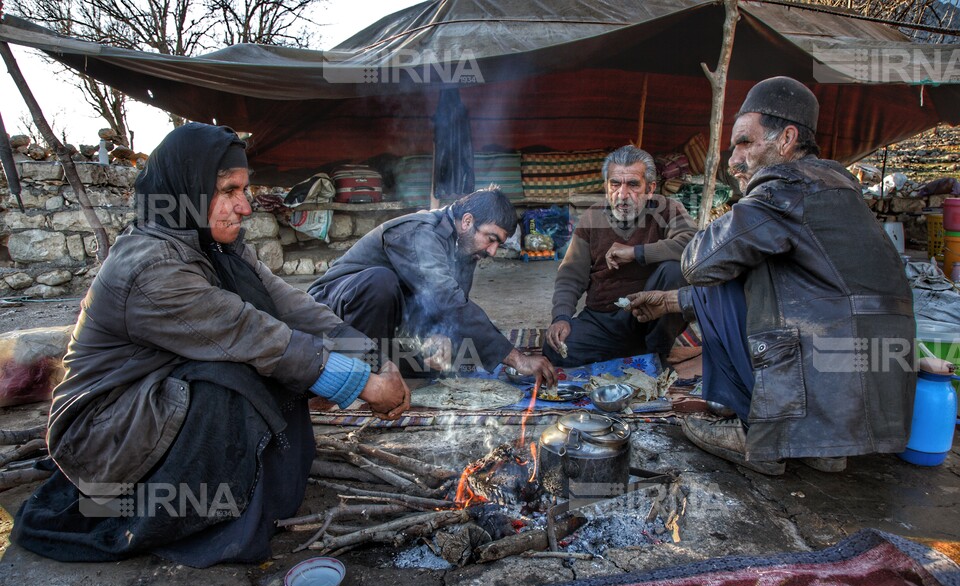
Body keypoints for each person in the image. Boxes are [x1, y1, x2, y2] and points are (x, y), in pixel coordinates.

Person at [12, 123, 410, 567]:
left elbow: (290, 305)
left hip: (150, 402)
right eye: (228, 190)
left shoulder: (216, 247)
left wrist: (372, 356)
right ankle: (197, 517)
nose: (244, 206)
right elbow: (253, 334)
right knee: (233, 376)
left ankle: (256, 493)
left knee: (259, 364)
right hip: (102, 430)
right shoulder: (151, 266)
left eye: (246, 188)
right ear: (185, 190)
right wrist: (365, 386)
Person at [628, 77, 915, 475]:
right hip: (870, 398)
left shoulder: (784, 188)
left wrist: (737, 208)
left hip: (821, 371)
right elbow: (800, 293)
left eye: (745, 142)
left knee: (722, 269)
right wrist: (670, 302)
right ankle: (824, 448)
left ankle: (754, 430)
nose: (733, 160)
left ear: (787, 140)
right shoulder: (837, 188)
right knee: (748, 266)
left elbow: (698, 262)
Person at [308, 186, 557, 385]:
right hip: (331, 316)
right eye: (491, 239)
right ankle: (358, 375)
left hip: (382, 326)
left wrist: (438, 336)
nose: (492, 251)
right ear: (468, 221)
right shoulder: (420, 233)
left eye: (498, 244)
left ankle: (376, 364)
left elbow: (444, 308)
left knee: (454, 362)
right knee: (381, 282)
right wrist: (517, 359)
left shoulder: (465, 248)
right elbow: (448, 301)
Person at [544, 146, 696, 368]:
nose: (622, 194)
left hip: (652, 317)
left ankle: (657, 349)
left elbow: (693, 244)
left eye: (633, 185)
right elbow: (570, 275)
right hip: (603, 320)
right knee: (555, 349)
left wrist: (637, 253)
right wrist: (561, 317)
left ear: (650, 188)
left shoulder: (668, 210)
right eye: (615, 184)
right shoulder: (592, 217)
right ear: (607, 187)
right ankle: (642, 352)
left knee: (675, 270)